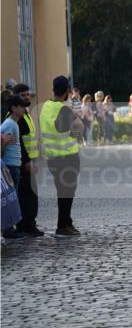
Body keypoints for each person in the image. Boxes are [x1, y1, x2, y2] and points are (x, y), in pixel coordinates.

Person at [39, 75, 84, 237]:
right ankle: (62, 226)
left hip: (52, 157)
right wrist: (74, 130)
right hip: (68, 157)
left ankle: (66, 222)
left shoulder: (45, 107)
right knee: (67, 192)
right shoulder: (63, 108)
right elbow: (80, 125)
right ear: (67, 91)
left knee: (62, 192)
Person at [13, 83, 43, 236]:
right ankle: (26, 224)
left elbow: (30, 138)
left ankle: (28, 223)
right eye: (22, 95)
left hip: (29, 161)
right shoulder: (16, 116)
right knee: (26, 194)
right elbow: (20, 141)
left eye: (27, 94)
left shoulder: (26, 113)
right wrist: (27, 161)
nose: (26, 97)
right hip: (22, 162)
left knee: (29, 194)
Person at [1, 96, 27, 241]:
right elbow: (2, 147)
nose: (24, 109)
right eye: (21, 106)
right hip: (10, 165)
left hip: (13, 164)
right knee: (11, 198)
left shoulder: (12, 124)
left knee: (12, 197)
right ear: (13, 108)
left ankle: (10, 228)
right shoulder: (10, 125)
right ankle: (9, 230)